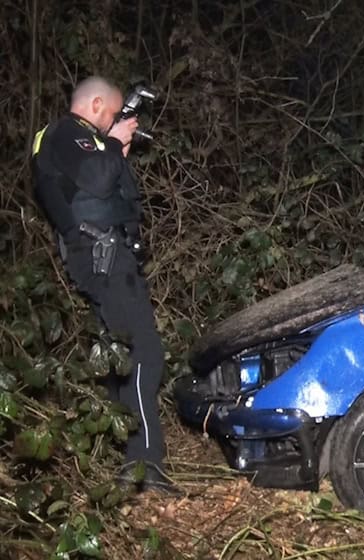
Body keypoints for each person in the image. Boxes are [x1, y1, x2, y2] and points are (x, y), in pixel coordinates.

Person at [31, 76, 175, 494]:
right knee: (145, 351)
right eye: (114, 114)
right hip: (102, 257)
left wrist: (117, 148)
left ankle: (129, 459)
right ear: (96, 105)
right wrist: (112, 143)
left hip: (109, 256)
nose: (116, 122)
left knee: (121, 357)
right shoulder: (66, 133)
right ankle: (145, 466)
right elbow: (95, 179)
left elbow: (103, 186)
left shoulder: (82, 142)